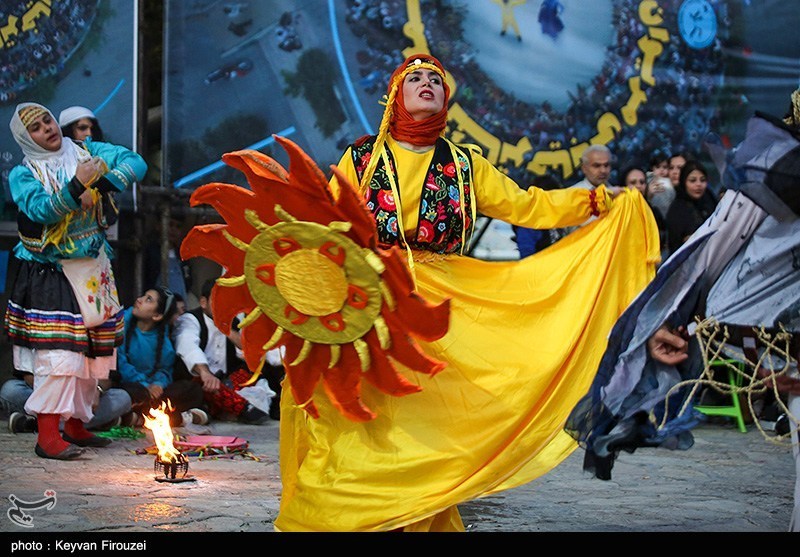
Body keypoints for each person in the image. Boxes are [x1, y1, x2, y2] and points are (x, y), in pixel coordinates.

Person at [264, 53, 659, 531]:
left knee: (429, 414)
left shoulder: (464, 163)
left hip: (440, 298)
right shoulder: (363, 157)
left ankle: (414, 514)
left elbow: (525, 205)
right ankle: (340, 512)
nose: (427, 83)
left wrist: (594, 201)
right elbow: (326, 221)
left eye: (435, 79)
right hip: (370, 295)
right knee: (355, 407)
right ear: (396, 96)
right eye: (415, 78)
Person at [565, 87, 800, 532]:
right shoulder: (775, 170)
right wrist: (673, 318)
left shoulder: (771, 169)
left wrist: (672, 318)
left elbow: (709, 251)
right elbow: (708, 253)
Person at [5, 102, 146, 459]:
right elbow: (40, 209)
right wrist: (75, 186)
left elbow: (136, 163)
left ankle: (76, 425)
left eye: (47, 120)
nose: (47, 129)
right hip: (51, 272)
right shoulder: (23, 174)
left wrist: (99, 184)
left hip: (94, 268)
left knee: (92, 356)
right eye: (36, 128)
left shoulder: (86, 150)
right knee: (60, 355)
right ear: (27, 138)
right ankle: (47, 437)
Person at [173, 278, 277, 424]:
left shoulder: (233, 323)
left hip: (225, 382)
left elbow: (249, 351)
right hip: (199, 380)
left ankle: (223, 408)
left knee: (253, 374)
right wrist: (205, 373)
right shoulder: (190, 319)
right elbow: (188, 345)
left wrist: (226, 329)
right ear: (203, 302)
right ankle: (242, 408)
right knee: (200, 387)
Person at [114, 286, 207, 428]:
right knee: (126, 393)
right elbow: (120, 363)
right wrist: (146, 386)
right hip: (133, 386)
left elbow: (164, 370)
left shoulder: (163, 341)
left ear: (157, 316)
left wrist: (158, 384)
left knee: (193, 389)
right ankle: (177, 418)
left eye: (148, 299)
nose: (139, 300)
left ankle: (137, 418)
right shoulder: (121, 324)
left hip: (153, 393)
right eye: (144, 296)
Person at [2, 369, 132, 433]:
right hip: (48, 393)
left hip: (82, 396)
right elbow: (27, 374)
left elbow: (108, 375)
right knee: (10, 390)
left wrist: (97, 390)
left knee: (123, 397)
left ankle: (35, 424)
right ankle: (94, 423)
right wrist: (59, 391)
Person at [665, 159, 718, 254]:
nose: (698, 184)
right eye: (692, 180)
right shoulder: (677, 210)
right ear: (684, 182)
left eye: (703, 180)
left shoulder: (709, 199)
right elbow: (675, 246)